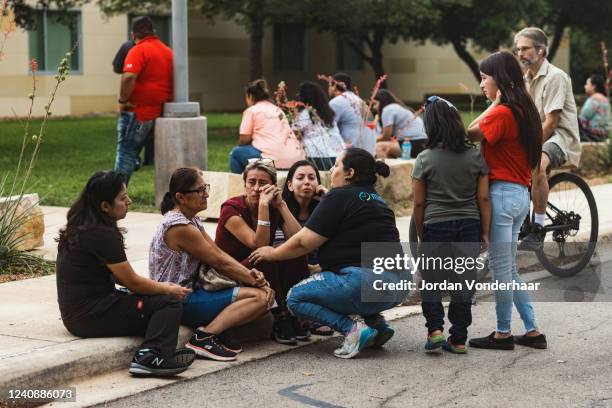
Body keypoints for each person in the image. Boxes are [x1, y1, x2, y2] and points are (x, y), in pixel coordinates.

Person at [249, 148, 410, 359]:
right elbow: (351, 245)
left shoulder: (340, 196)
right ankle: (377, 326)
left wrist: (273, 253)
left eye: (336, 166)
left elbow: (303, 243)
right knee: (346, 283)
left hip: (364, 282)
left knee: (295, 298)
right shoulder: (377, 200)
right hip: (398, 286)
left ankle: (352, 330)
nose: (332, 171)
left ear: (350, 173)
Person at [55, 171, 195, 377]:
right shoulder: (101, 234)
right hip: (90, 316)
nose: (129, 201)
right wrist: (167, 288)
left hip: (82, 312)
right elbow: (132, 282)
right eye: (122, 198)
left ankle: (158, 348)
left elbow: (122, 279)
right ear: (105, 206)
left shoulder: (84, 226)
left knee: (150, 302)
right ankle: (152, 357)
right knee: (168, 302)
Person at [149, 168, 274, 361]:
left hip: (192, 292)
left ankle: (216, 330)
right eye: (200, 190)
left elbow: (218, 253)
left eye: (205, 187)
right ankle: (204, 337)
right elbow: (219, 262)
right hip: (178, 300)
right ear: (181, 197)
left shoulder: (191, 220)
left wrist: (252, 276)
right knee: (260, 298)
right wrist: (256, 282)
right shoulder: (180, 227)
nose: (206, 194)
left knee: (263, 296)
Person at [466, 50, 547, 350]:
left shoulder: (502, 113)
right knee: (509, 269)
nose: (481, 84)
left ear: (499, 80)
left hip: (500, 196)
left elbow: (468, 134)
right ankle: (533, 330)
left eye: (484, 78)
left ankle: (502, 333)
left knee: (502, 270)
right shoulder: (525, 111)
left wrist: (494, 105)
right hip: (519, 197)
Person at [412, 96, 490, 354]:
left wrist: (422, 233)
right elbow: (483, 198)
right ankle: (458, 339)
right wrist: (485, 232)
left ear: (431, 126)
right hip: (469, 225)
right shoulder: (475, 156)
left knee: (431, 281)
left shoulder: (425, 159)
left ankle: (435, 330)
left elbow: (419, 204)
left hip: (436, 225)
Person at [215, 160, 311, 344]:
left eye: (263, 183)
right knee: (265, 255)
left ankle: (295, 311)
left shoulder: (275, 206)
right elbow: (257, 244)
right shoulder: (231, 209)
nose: (257, 188)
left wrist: (281, 205)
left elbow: (301, 241)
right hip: (228, 272)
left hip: (255, 270)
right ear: (244, 185)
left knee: (293, 253)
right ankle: (280, 317)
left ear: (273, 187)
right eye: (252, 182)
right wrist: (264, 207)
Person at [513, 27, 581, 247]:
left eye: (525, 49)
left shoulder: (556, 77)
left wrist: (529, 147)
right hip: (539, 136)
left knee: (537, 164)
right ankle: (523, 221)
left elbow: (551, 122)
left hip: (560, 138)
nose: (520, 53)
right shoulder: (524, 80)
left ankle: (539, 228)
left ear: (541, 51)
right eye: (518, 50)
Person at [277, 160, 334, 336]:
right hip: (291, 264)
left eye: (312, 177)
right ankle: (293, 317)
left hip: (319, 265)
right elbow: (296, 243)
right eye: (300, 178)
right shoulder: (280, 208)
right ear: (290, 185)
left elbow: (341, 238)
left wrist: (328, 198)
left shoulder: (323, 208)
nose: (307, 182)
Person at [115, 16, 173, 185]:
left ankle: (116, 194)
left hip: (137, 113)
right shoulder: (168, 52)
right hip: (159, 114)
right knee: (149, 154)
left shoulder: (138, 50)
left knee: (126, 153)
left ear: (133, 35)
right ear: (153, 31)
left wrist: (122, 100)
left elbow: (128, 77)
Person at [230, 79, 304, 173]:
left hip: (272, 161)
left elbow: (244, 139)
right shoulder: (277, 110)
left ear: (250, 96)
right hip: (295, 159)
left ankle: (240, 186)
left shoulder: (251, 111)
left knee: (236, 153)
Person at [292, 81, 345, 170]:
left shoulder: (303, 115)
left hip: (315, 157)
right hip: (337, 156)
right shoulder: (329, 113)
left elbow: (295, 136)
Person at [328, 72, 377, 155]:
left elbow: (328, 129)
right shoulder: (360, 101)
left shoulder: (335, 102)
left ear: (334, 86)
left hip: (352, 154)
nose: (328, 88)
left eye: (329, 85)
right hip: (370, 151)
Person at [374, 89, 427, 159]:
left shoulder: (387, 109)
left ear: (381, 102)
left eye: (375, 104)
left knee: (378, 147)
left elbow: (386, 136)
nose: (373, 107)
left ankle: (383, 169)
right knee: (388, 149)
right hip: (423, 143)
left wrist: (372, 140)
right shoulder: (398, 107)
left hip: (414, 143)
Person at [579, 74, 610, 142]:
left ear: (593, 86)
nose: (585, 86)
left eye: (587, 84)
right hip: (606, 134)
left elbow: (582, 119)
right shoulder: (605, 100)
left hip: (593, 135)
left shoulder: (593, 100)